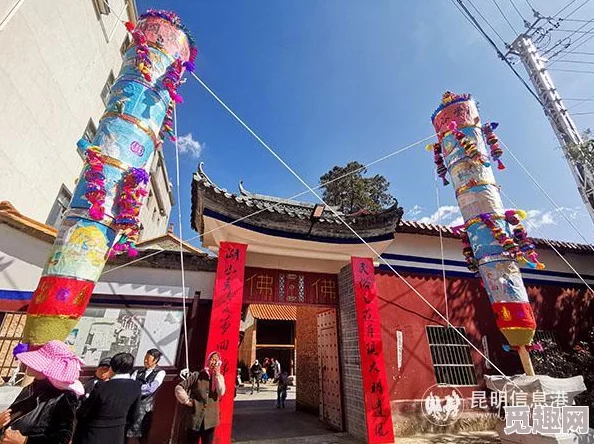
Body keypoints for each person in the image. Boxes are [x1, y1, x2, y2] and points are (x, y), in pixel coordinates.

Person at [0, 340, 84, 444]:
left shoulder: (64, 397)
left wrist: (25, 441)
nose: (28, 364)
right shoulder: (33, 388)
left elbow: (62, 440)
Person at [73, 353, 141, 444]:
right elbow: (134, 414)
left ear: (111, 367)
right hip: (118, 433)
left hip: (93, 433)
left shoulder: (101, 387)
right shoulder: (135, 386)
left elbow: (84, 412)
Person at [174, 351, 225, 444]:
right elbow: (179, 387)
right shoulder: (197, 375)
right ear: (208, 361)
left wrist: (217, 374)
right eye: (211, 359)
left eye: (216, 360)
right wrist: (186, 401)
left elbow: (221, 392)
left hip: (210, 420)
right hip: (194, 418)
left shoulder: (219, 377)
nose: (213, 362)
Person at [126, 349, 166, 444]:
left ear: (155, 360)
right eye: (145, 358)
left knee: (142, 435)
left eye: (148, 359)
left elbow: (151, 388)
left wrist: (136, 388)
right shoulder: (137, 372)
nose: (145, 361)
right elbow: (129, 385)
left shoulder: (159, 373)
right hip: (132, 405)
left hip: (146, 407)